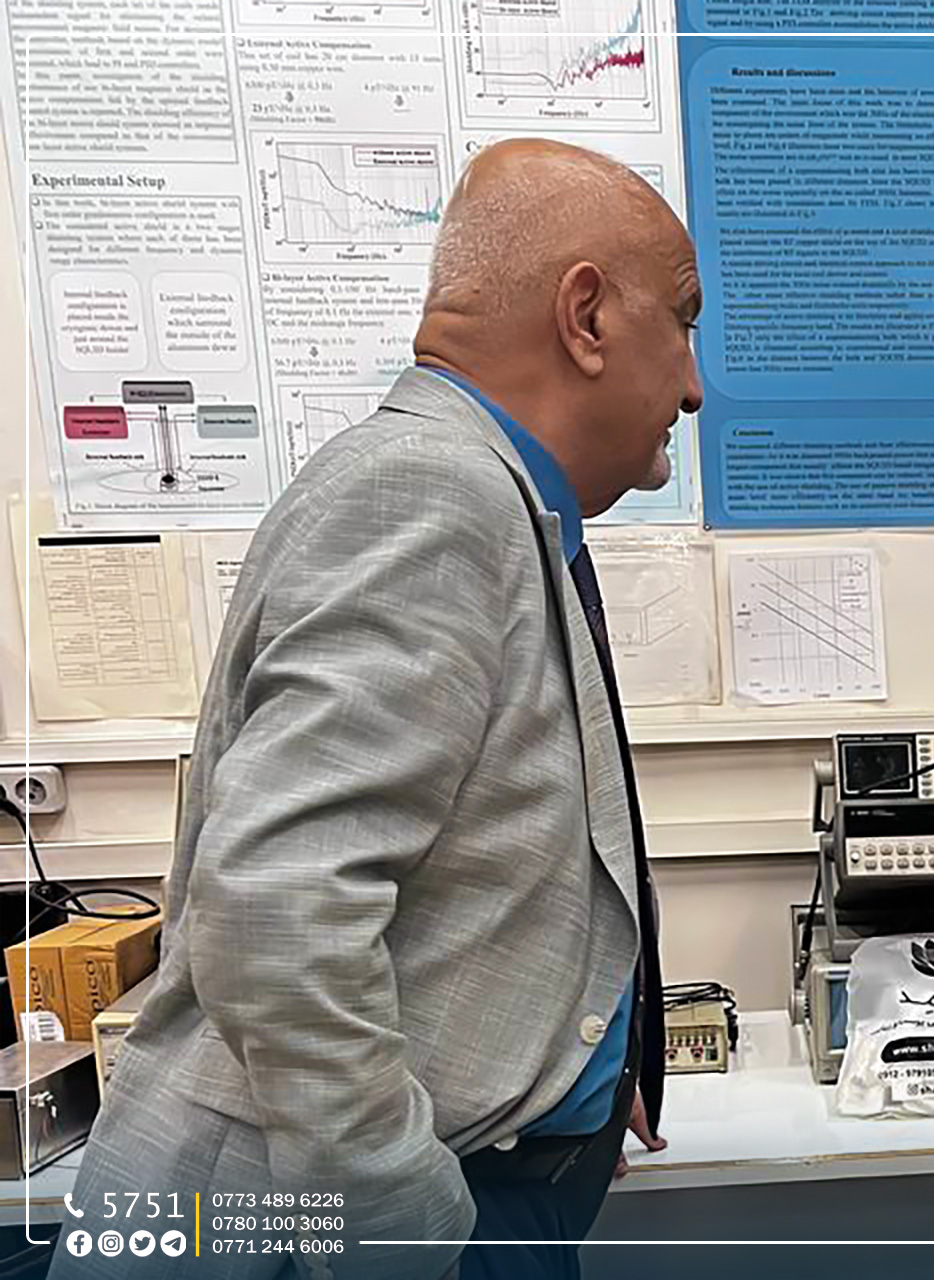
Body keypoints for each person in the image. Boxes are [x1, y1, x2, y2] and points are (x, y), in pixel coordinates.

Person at [52, 139, 703, 1280]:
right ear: (587, 317)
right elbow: (276, 912)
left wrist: (572, 1062)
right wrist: (403, 1229)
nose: (694, 385)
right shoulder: (433, 492)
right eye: (685, 323)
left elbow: (475, 857)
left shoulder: (489, 494)